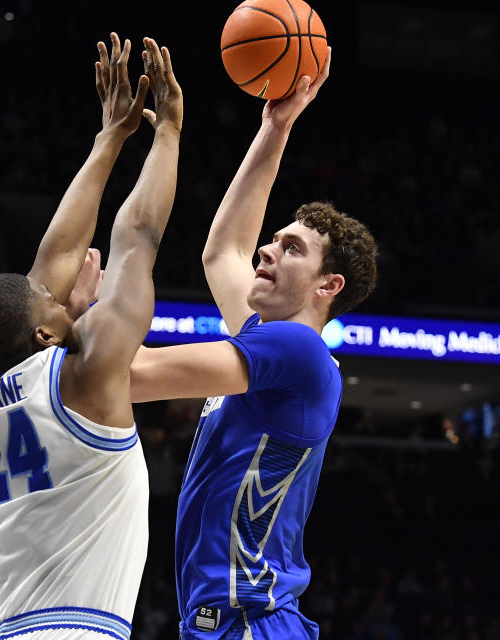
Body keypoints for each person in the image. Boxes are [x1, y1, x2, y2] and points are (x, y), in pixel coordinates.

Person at [130, 48, 378, 639]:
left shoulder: (299, 352)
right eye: (275, 240)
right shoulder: (274, 347)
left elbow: (135, 375)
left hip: (250, 621)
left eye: (292, 248)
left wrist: (61, 321)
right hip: (233, 619)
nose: (268, 250)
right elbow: (225, 253)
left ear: (329, 286)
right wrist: (276, 126)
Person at [0, 34, 183, 640]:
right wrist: (167, 133)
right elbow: (136, 239)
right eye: (52, 304)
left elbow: (50, 260)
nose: (61, 298)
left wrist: (108, 139)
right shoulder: (86, 376)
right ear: (39, 330)